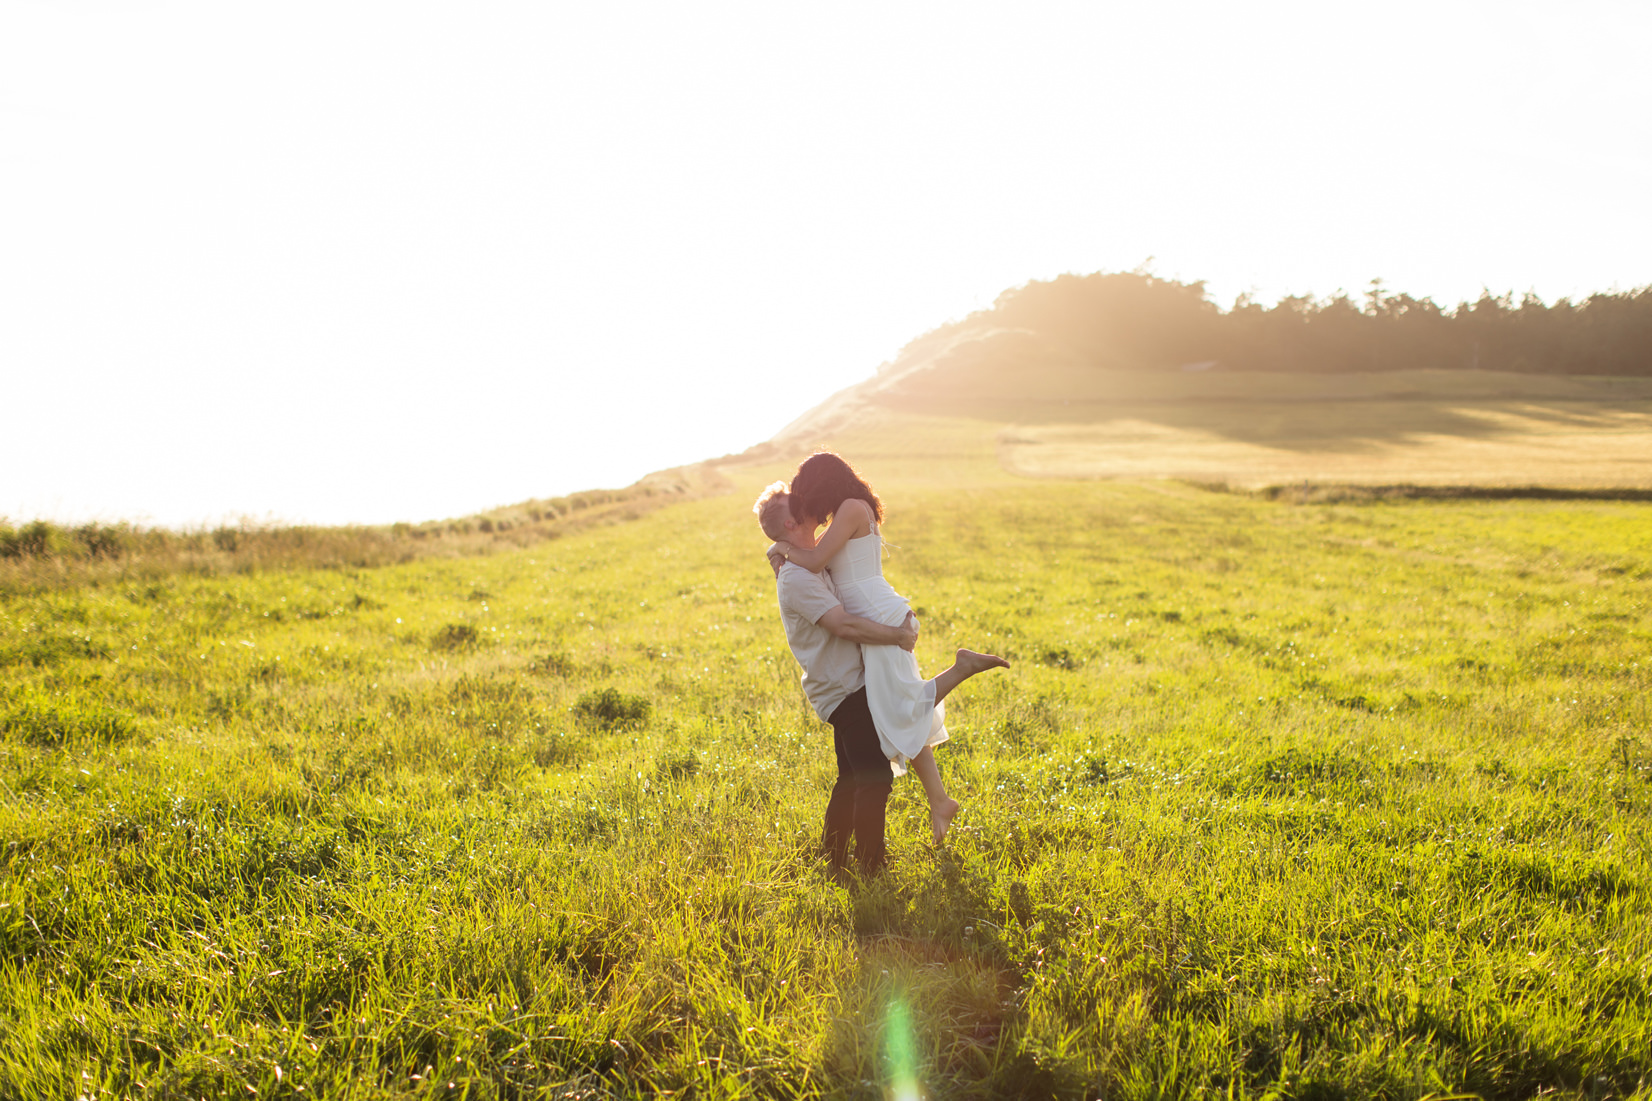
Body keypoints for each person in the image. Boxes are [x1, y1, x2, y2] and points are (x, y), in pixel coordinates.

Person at [767, 452, 1009, 844]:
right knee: (896, 707)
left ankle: (961, 668)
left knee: (901, 706)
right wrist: (780, 550)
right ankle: (940, 800)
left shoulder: (849, 508)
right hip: (876, 616)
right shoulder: (852, 506)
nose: (807, 504)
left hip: (879, 617)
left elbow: (814, 561)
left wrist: (779, 549)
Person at [755, 483, 917, 879]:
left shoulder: (804, 562)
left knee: (852, 778)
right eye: (803, 505)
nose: (814, 506)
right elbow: (842, 625)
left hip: (844, 684)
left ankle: (834, 856)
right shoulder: (796, 578)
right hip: (843, 690)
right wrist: (898, 636)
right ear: (793, 521)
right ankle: (872, 869)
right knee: (874, 779)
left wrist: (779, 549)